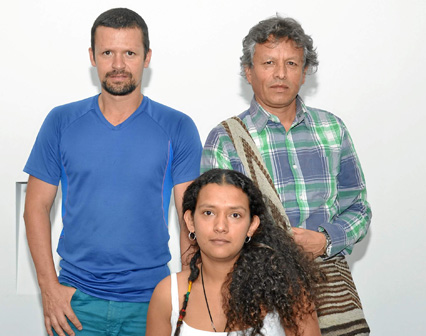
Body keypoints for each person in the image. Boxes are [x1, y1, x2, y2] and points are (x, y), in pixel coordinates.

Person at [23, 8, 202, 336]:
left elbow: (190, 215)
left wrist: (187, 289)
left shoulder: (177, 127)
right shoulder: (61, 122)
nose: (118, 65)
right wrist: (49, 289)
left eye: (130, 53)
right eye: (108, 53)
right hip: (75, 302)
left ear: (147, 57)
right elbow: (35, 208)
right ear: (92, 56)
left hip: (152, 300)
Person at [201, 15, 371, 335]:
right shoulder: (226, 139)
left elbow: (359, 207)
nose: (280, 73)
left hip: (330, 290)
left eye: (291, 63)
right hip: (257, 293)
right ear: (248, 72)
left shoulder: (332, 130)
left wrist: (326, 240)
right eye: (268, 62)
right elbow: (212, 225)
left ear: (304, 72)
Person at [146, 169, 322, 336]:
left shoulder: (287, 289)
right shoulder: (168, 294)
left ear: (252, 225)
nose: (220, 226)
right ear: (190, 221)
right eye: (208, 213)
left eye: (235, 215)